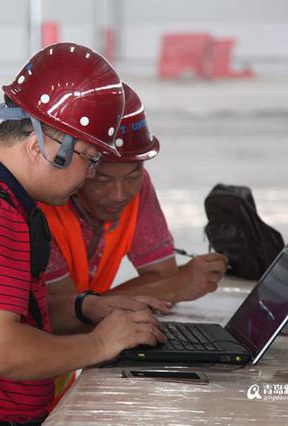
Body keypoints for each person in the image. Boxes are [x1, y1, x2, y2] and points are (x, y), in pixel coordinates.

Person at [0, 43, 168, 426]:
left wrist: (85, 307)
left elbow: (6, 315)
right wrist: (100, 343)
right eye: (90, 158)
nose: (89, 175)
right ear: (42, 147)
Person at [41, 82, 228, 304]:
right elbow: (60, 313)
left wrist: (169, 285)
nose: (119, 195)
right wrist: (170, 289)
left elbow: (162, 274)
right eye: (102, 180)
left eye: (132, 176)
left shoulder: (139, 188)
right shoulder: (42, 203)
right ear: (73, 164)